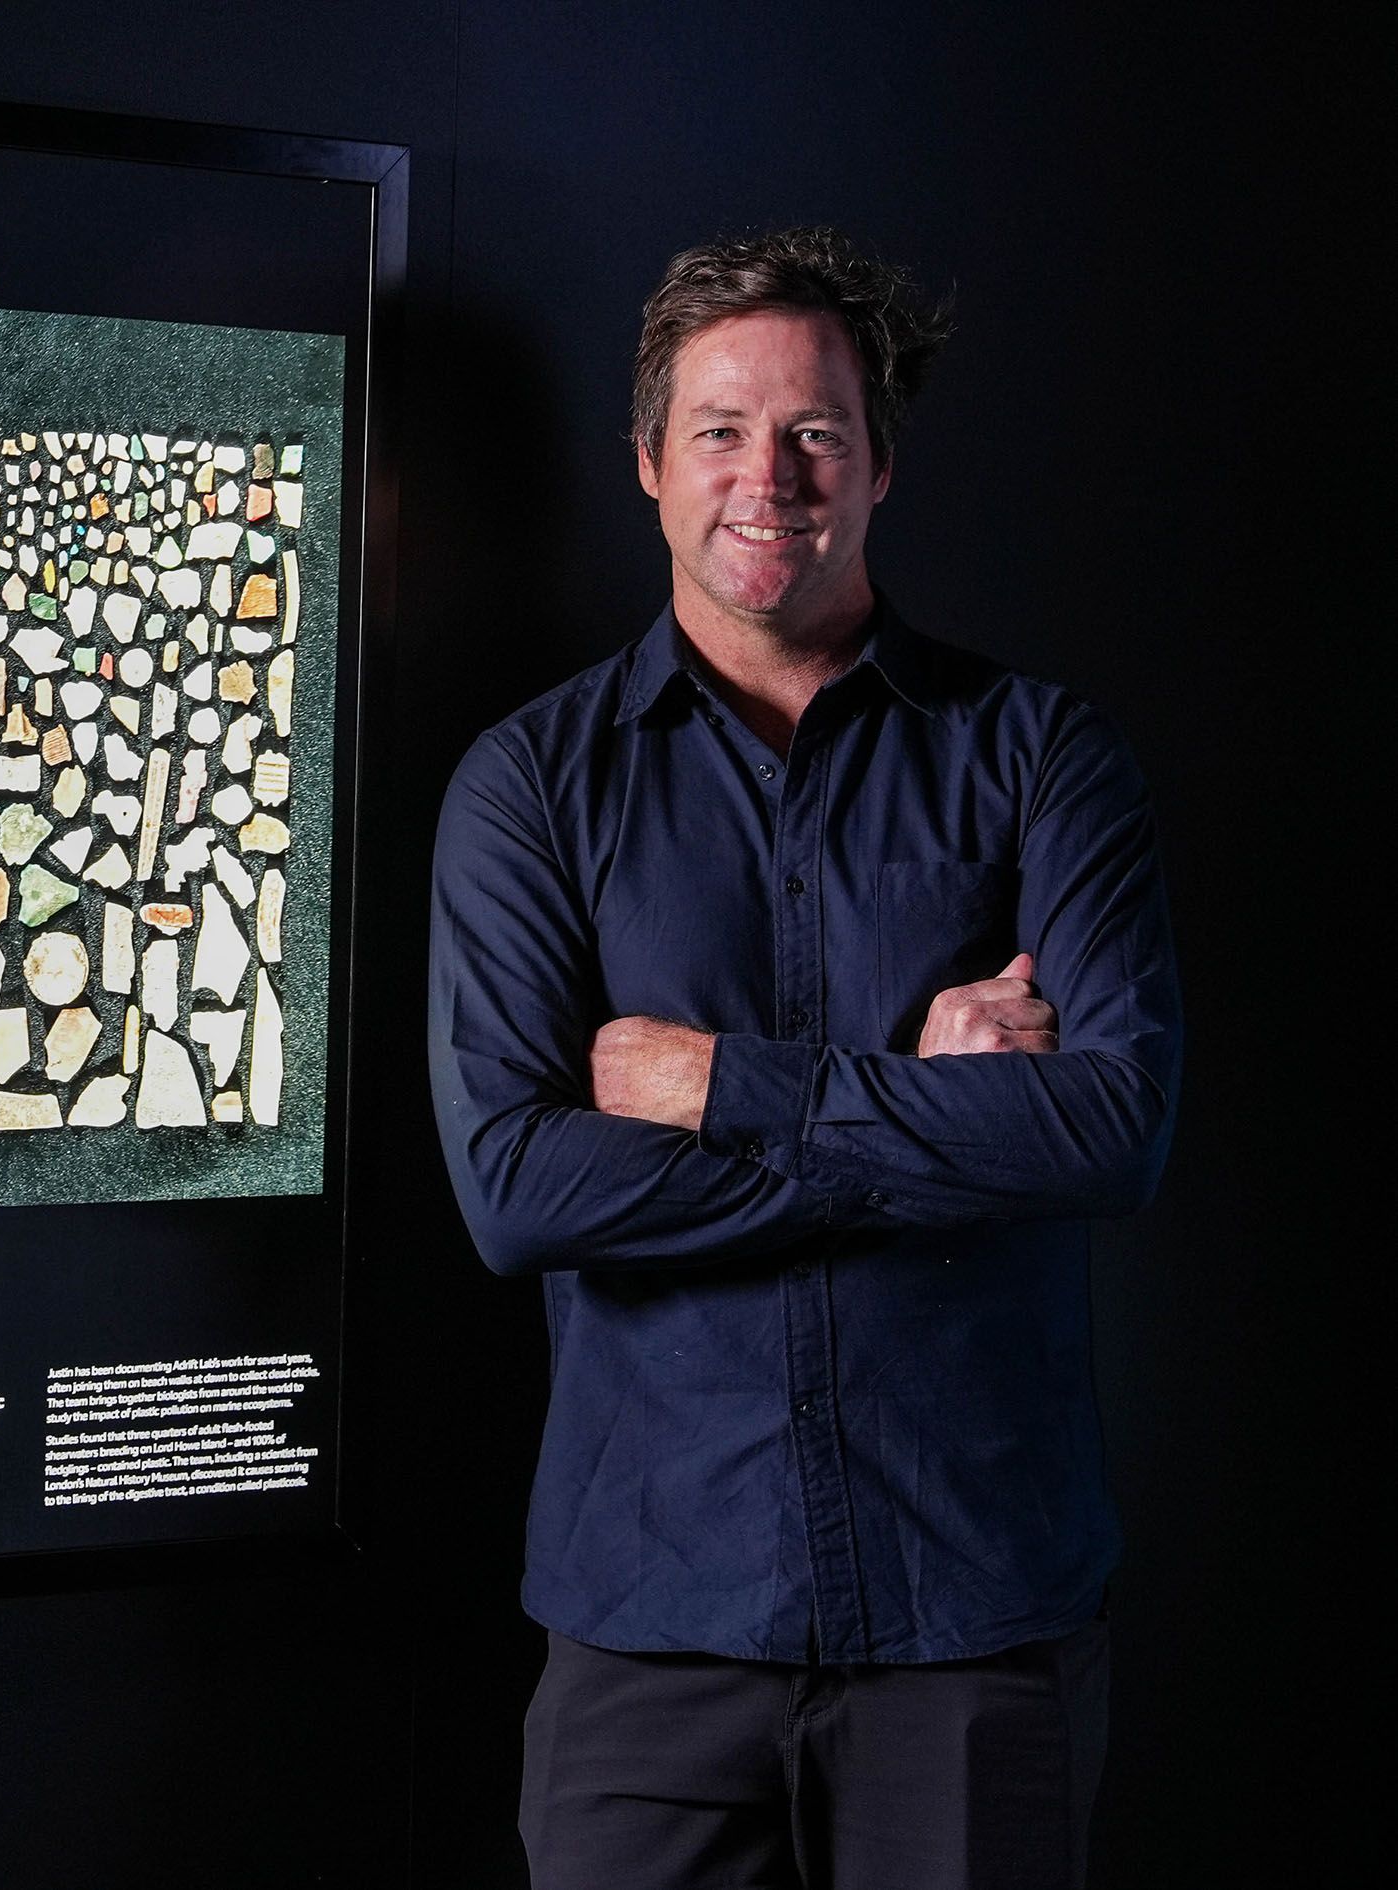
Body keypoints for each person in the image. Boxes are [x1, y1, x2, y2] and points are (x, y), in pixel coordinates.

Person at [428, 227, 1181, 1889]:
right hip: (653, 1634)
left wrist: (734, 1083)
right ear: (646, 461)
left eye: (816, 432)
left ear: (882, 463)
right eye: (718, 429)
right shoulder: (530, 788)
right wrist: (930, 1100)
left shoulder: (1043, 757)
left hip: (974, 1622)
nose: (766, 476)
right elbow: (519, 1184)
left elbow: (1111, 1126)